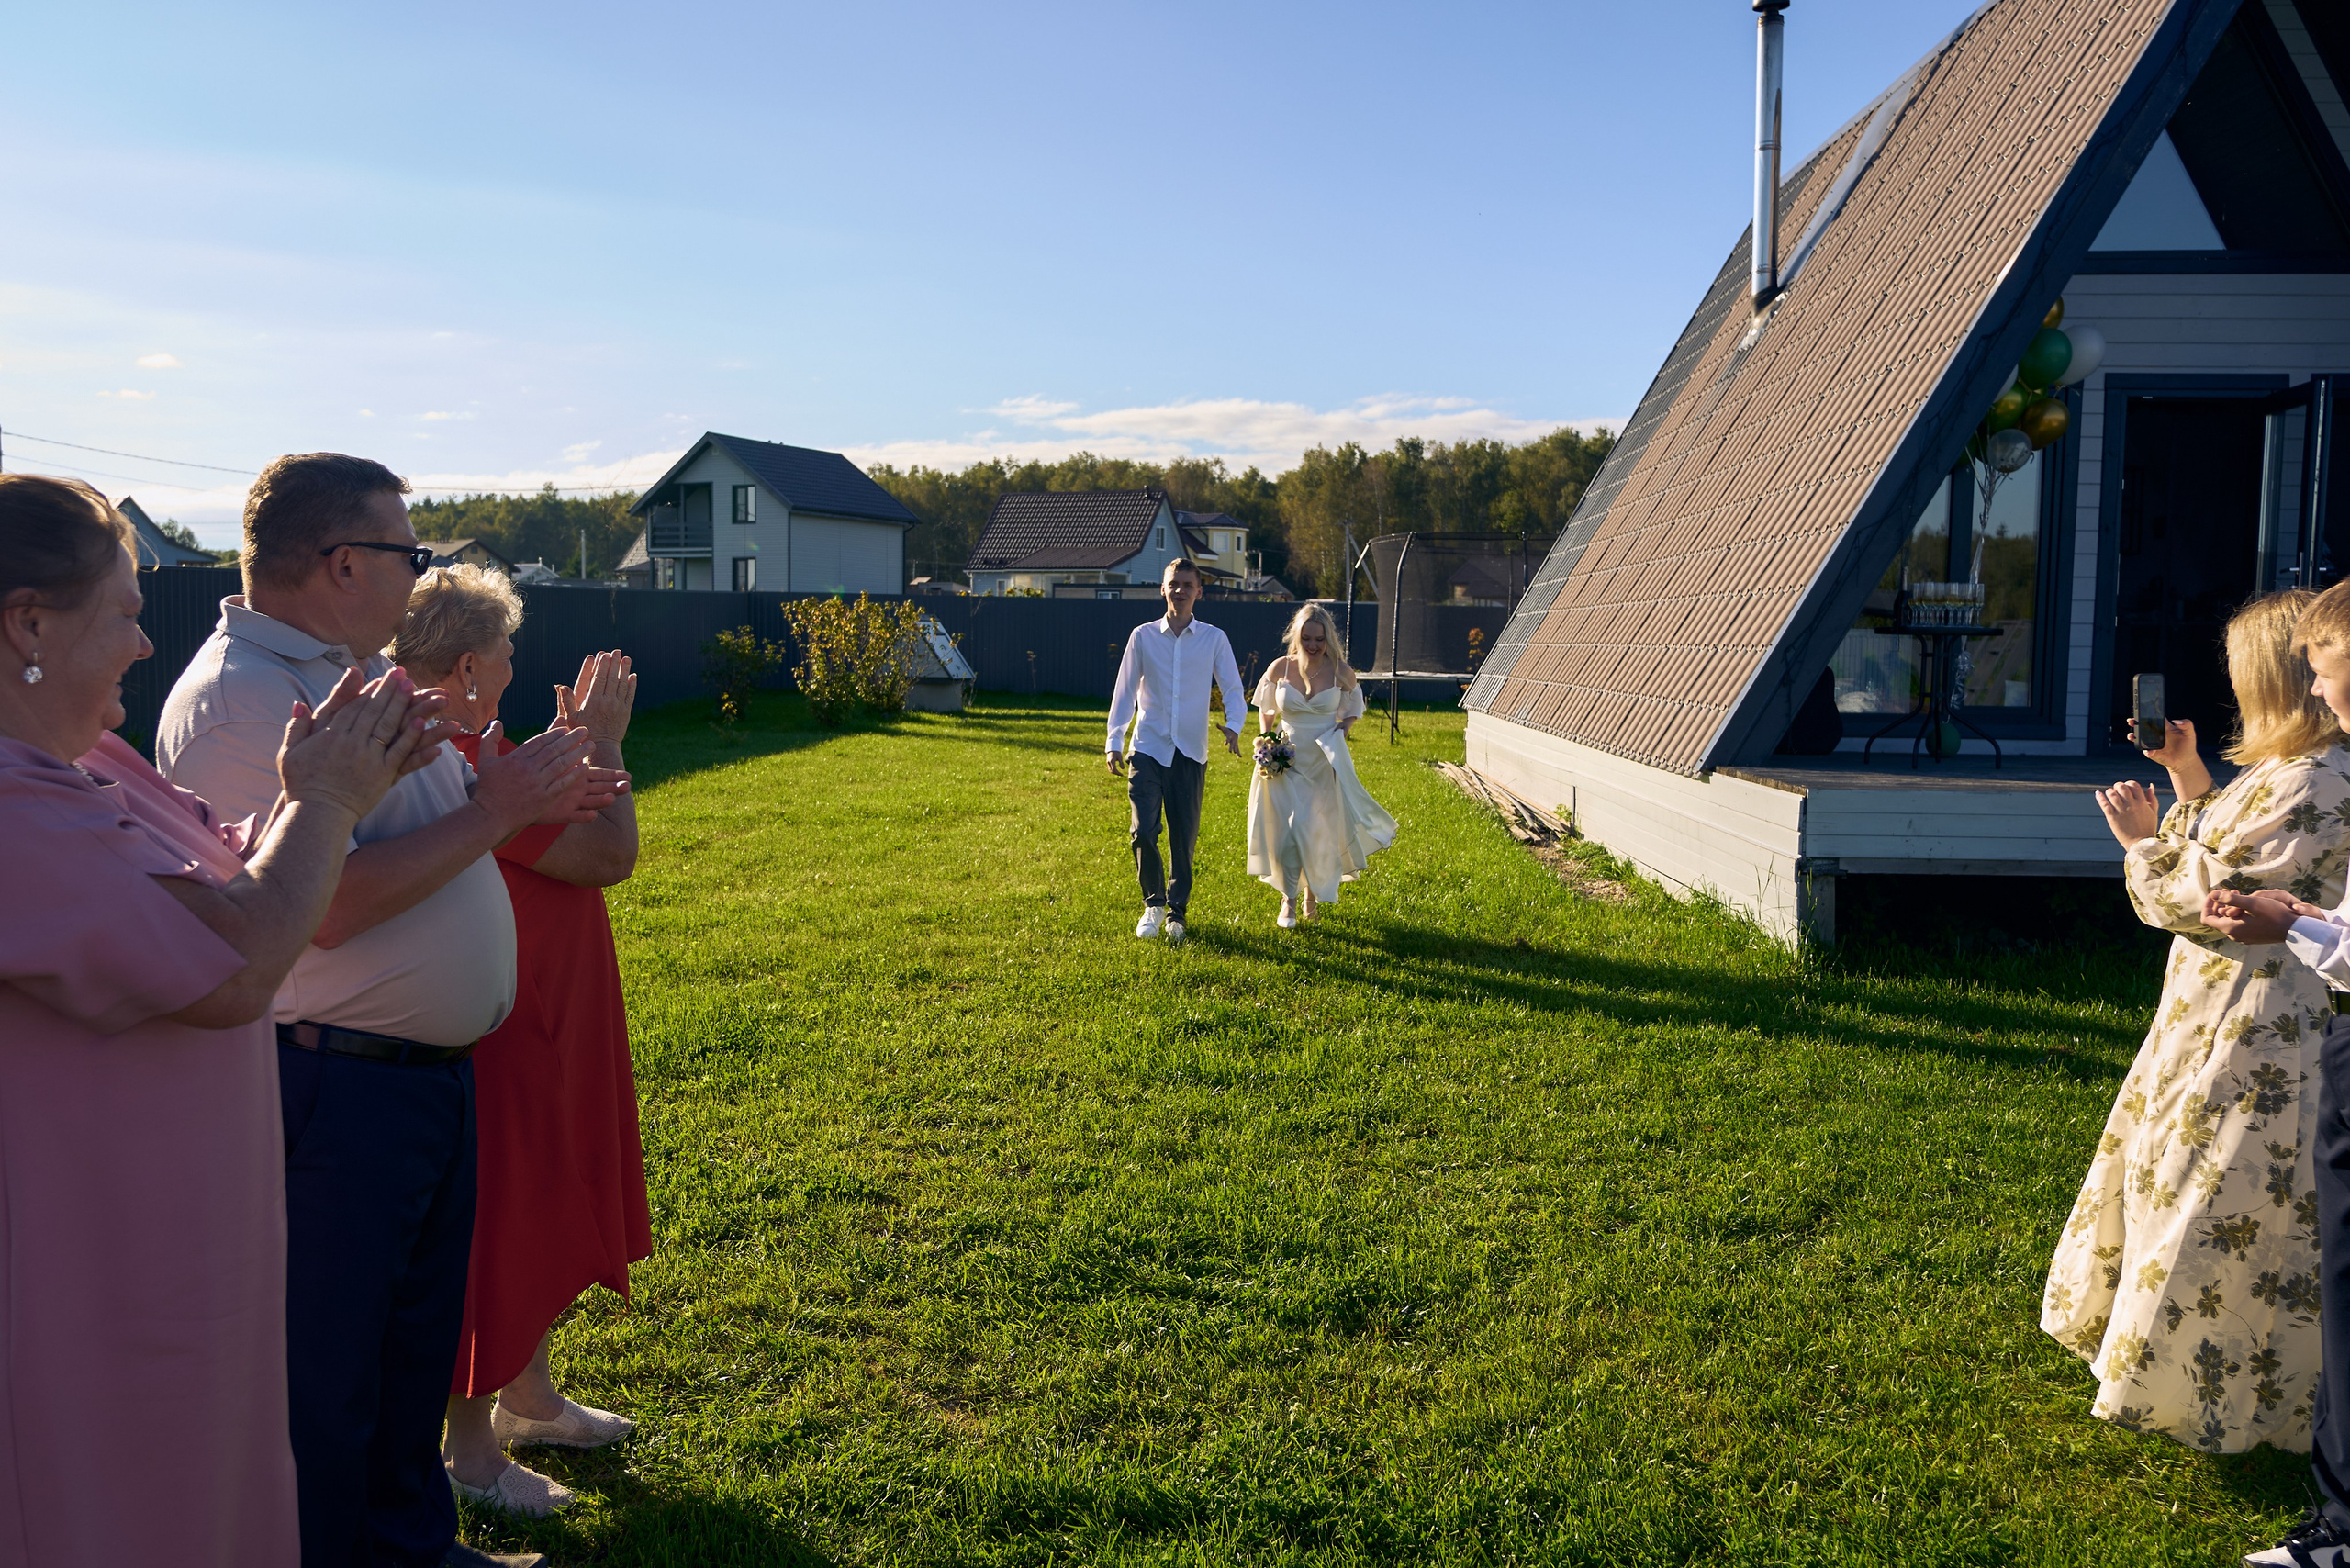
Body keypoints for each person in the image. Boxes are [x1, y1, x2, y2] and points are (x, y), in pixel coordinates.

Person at [159, 454, 621, 1568]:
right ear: (342, 561)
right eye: (409, 555)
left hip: (413, 1078)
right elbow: (318, 907)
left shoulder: (351, 675)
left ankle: (414, 1545)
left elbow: (454, 834)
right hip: (333, 1082)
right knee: (330, 1373)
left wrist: (528, 789)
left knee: (405, 1354)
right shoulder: (246, 697)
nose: (419, 579)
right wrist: (502, 804)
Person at [0, 474, 443, 1568]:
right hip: (89, 1285)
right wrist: (331, 801)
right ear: (28, 622)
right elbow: (237, 958)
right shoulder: (10, 809)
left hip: (186, 1260)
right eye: (126, 613)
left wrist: (321, 784)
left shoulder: (86, 762)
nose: (144, 645)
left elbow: (228, 865)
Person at [2042, 588, 2350, 1460]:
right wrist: (2186, 781)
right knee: (2170, 1167)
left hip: (2261, 1020)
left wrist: (2142, 848)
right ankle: (2147, 1355)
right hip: (2210, 1008)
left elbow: (2210, 899)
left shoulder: (2321, 778)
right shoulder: (2289, 767)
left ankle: (2212, 1393)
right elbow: (2219, 854)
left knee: (2215, 1192)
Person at [385, 567, 651, 1518]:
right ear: (467, 664)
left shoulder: (475, 742)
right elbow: (606, 855)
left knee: (539, 1204)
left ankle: (529, 1398)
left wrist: (570, 745)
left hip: (546, 1014)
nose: (514, 660)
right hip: (512, 1030)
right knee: (499, 1224)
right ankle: (470, 1450)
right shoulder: (454, 755)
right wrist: (603, 740)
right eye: (503, 648)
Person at [2199, 583, 2350, 1567]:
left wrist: (2289, 924)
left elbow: (2189, 881)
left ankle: (2341, 1527)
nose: (2326, 698)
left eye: (2332, 678)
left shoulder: (2319, 778)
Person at [1105, 557, 1246, 944]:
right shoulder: (1142, 636)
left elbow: (1232, 687)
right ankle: (1153, 904)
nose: (1180, 590)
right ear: (1162, 589)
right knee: (1143, 831)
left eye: (1188, 584)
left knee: (1183, 839)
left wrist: (1234, 725)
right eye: (1174, 584)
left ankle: (1176, 914)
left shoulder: (1214, 638)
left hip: (1190, 753)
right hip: (1147, 748)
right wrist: (1114, 739)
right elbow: (1125, 691)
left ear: (1199, 592)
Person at [1245, 601, 1396, 928]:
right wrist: (1266, 739)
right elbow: (1267, 710)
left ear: (1328, 638)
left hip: (1324, 762)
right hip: (1286, 761)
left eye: (1319, 639)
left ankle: (1311, 896)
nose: (1313, 646)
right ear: (1296, 637)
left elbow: (1355, 704)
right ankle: (1289, 899)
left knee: (1316, 831)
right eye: (1307, 638)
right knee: (1288, 832)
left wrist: (1343, 729)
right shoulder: (1279, 668)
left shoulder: (1340, 670)